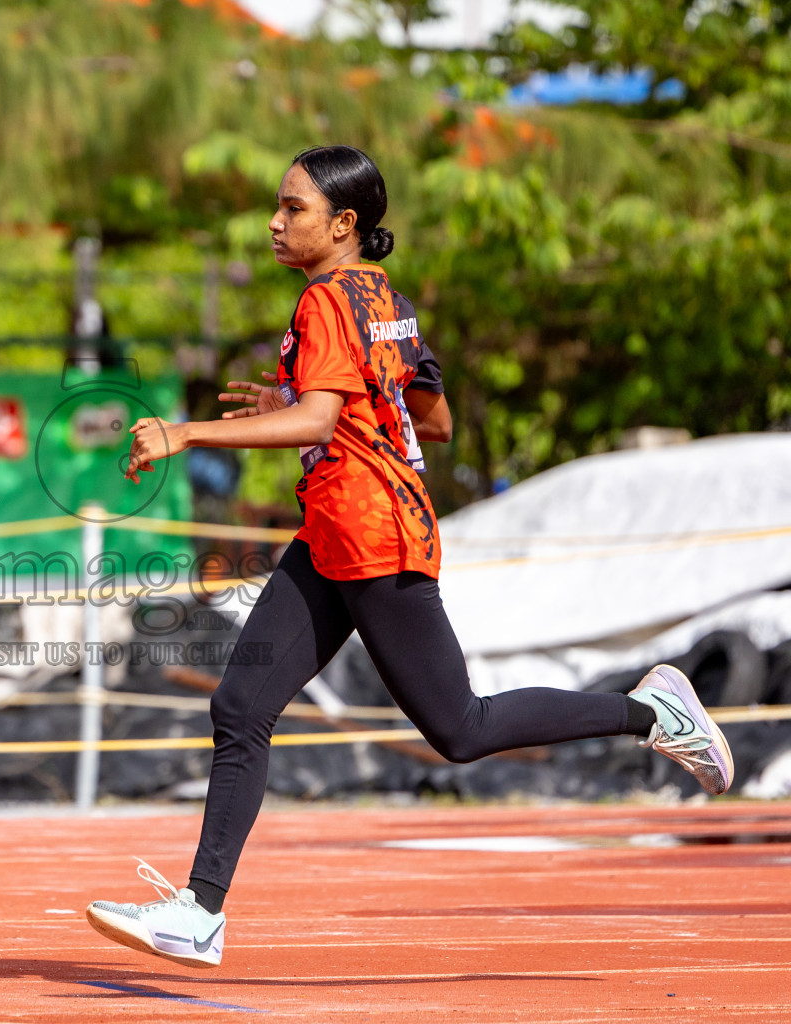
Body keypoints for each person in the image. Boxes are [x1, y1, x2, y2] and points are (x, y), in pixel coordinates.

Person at [85, 145, 732, 968]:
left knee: (459, 729)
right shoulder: (386, 298)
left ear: (344, 224)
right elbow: (433, 420)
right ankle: (199, 912)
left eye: (293, 209)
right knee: (241, 709)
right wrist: (297, 400)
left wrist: (186, 431)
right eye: (278, 208)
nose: (275, 223)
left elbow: (324, 424)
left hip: (375, 538)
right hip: (335, 535)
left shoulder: (324, 301)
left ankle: (653, 714)